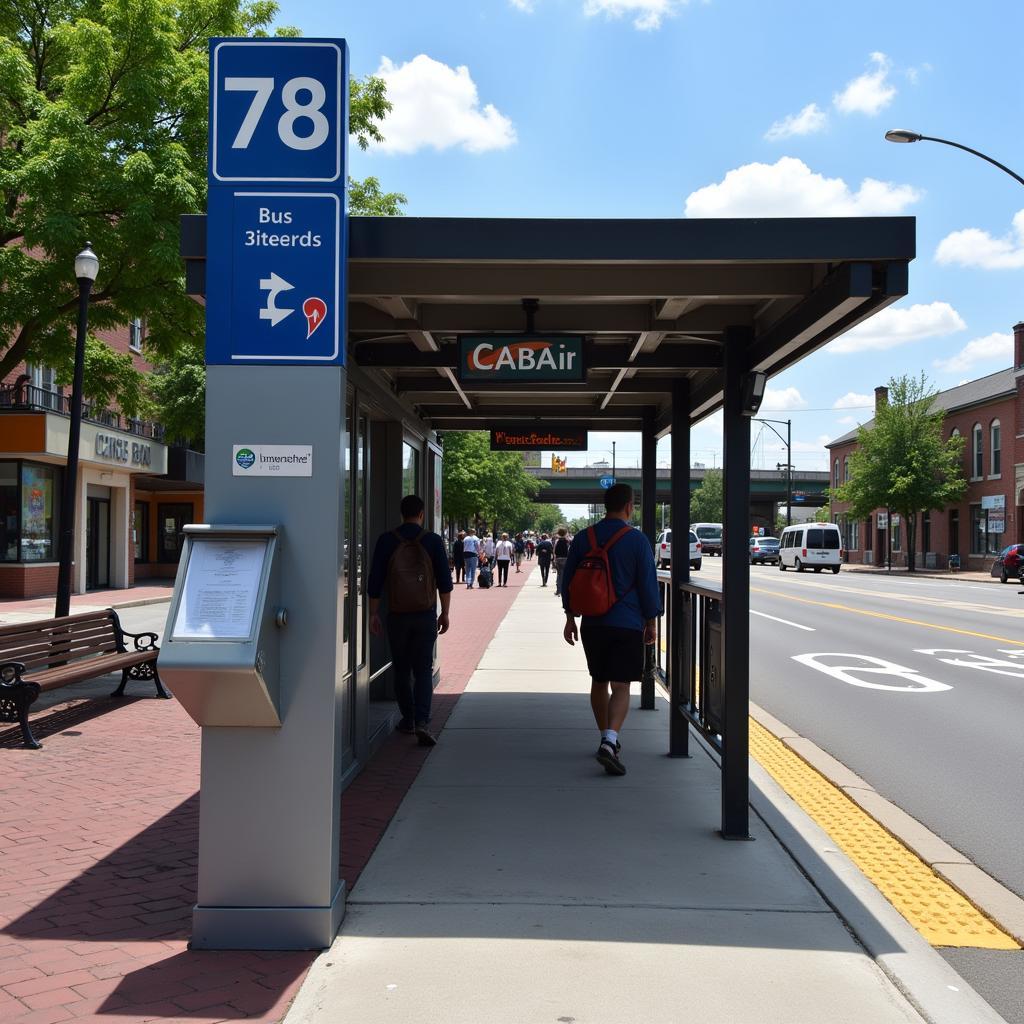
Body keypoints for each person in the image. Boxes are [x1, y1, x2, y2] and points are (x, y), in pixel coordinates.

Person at [561, 484, 662, 776]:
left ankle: (607, 738)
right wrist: (651, 620)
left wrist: (570, 617)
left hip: (593, 623)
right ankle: (610, 740)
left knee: (599, 681)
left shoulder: (584, 538)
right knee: (621, 685)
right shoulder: (637, 540)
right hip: (627, 623)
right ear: (629, 506)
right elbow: (648, 585)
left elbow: (569, 581)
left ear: (606, 506)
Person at [368, 494, 453, 747]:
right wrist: (445, 612)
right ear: (422, 514)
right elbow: (445, 582)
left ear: (401, 513)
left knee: (402, 668)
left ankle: (408, 718)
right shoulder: (432, 541)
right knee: (423, 669)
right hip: (425, 614)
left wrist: (373, 613)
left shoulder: (387, 540)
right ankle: (423, 722)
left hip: (397, 616)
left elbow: (375, 582)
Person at [553, 527, 570, 595]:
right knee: (565, 575)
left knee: (559, 574)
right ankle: (564, 590)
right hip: (565, 559)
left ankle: (558, 590)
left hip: (558, 559)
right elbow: (569, 550)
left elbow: (554, 551)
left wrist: (554, 560)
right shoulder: (568, 541)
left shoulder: (557, 541)